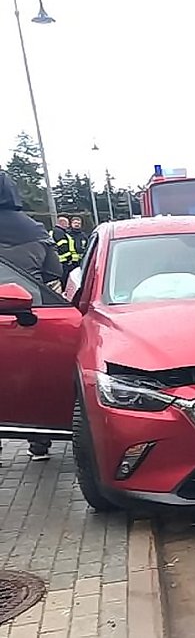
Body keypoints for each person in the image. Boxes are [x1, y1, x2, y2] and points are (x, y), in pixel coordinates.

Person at [0, 171, 63, 461]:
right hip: (29, 318)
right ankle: (39, 441)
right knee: (31, 381)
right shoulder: (36, 230)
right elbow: (54, 277)